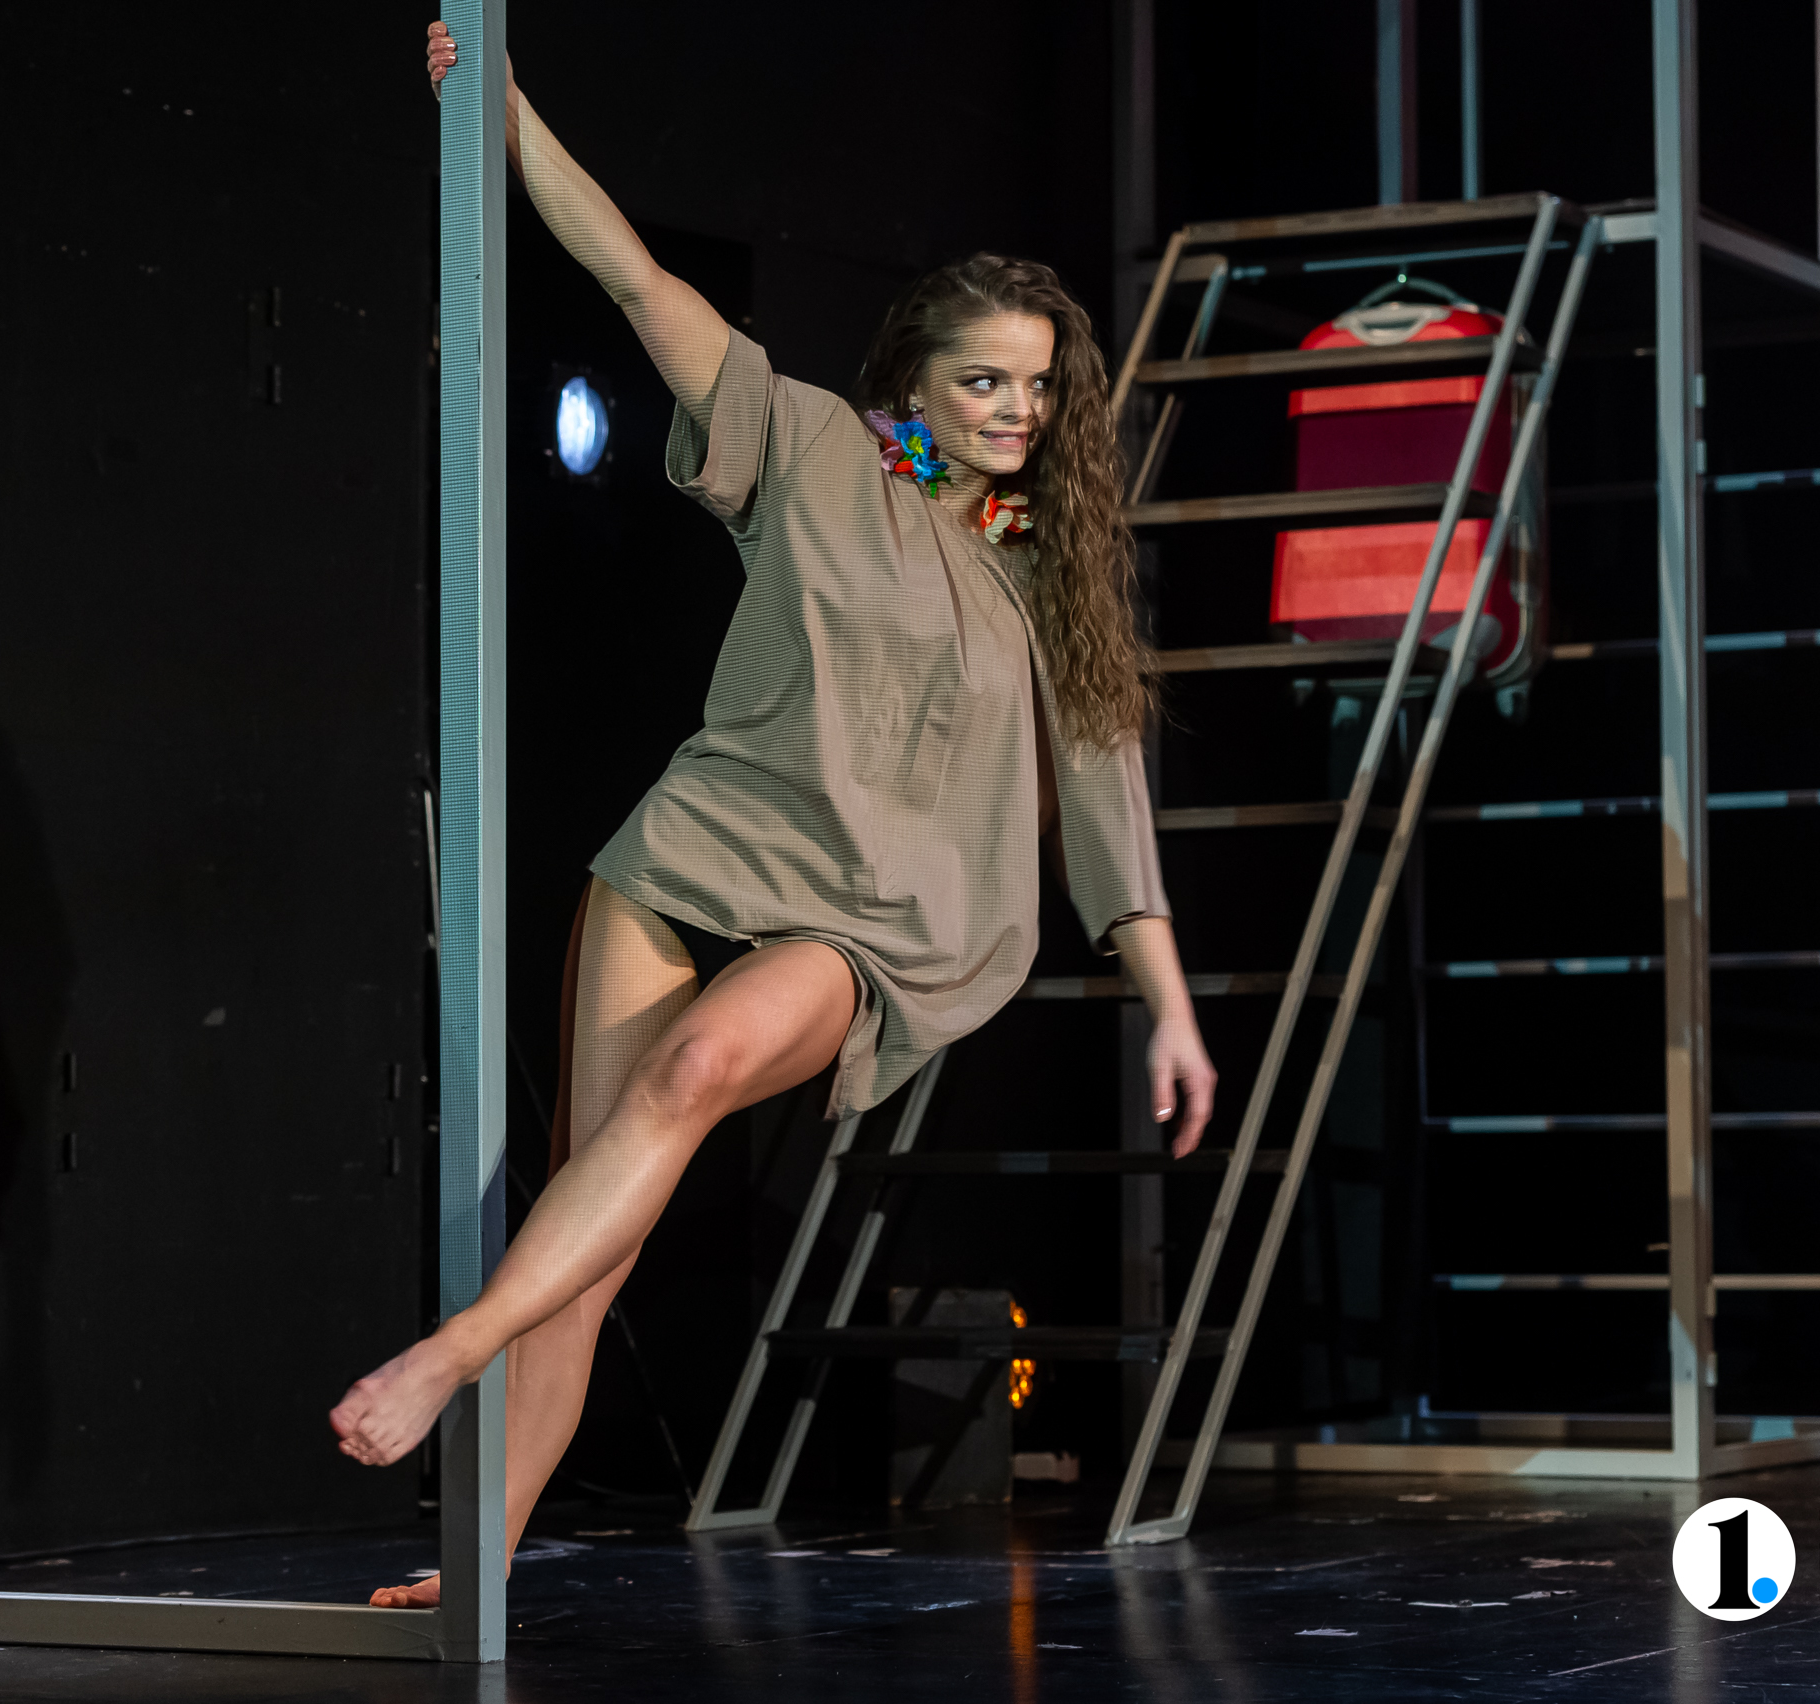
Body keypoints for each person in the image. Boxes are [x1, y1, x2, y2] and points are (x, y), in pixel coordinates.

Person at [331, 20, 1218, 1608]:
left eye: (1037, 386)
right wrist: (505, 111)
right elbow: (633, 280)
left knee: (695, 1072)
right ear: (914, 380)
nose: (1016, 410)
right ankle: (482, 1566)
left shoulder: (1051, 578)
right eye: (984, 380)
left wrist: (1170, 1009)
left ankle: (446, 1353)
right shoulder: (816, 445)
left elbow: (1110, 807)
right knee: (587, 1240)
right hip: (698, 853)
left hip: (875, 923)